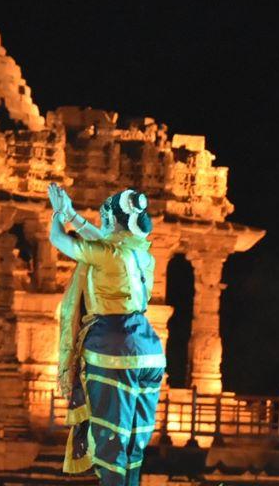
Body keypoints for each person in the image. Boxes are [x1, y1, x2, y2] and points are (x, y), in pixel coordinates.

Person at [49, 183, 163, 486]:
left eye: (103, 219)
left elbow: (57, 238)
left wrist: (59, 214)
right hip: (150, 350)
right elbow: (106, 244)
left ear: (111, 220)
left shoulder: (107, 254)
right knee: (134, 442)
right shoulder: (142, 255)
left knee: (111, 441)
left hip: (114, 349)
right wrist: (74, 215)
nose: (100, 224)